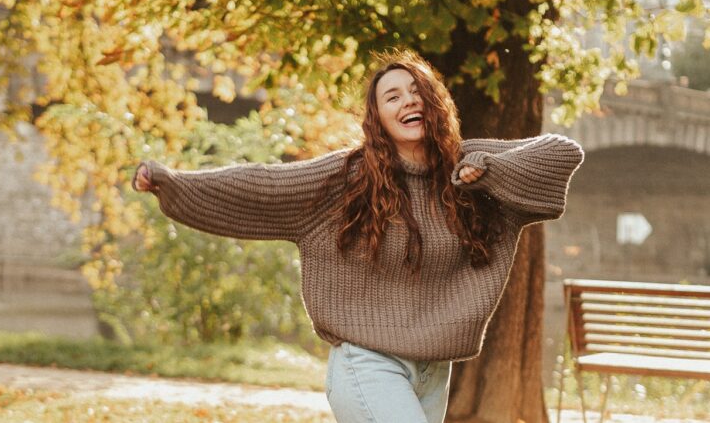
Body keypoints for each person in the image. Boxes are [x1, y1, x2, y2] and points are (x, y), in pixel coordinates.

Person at [132, 49, 584, 423]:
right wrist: (172, 183)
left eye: (417, 92)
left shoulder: (470, 168)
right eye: (393, 96)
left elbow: (561, 153)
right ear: (379, 116)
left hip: (434, 369)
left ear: (435, 103)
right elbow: (262, 185)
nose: (408, 101)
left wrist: (489, 172)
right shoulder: (347, 178)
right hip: (366, 363)